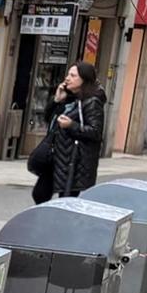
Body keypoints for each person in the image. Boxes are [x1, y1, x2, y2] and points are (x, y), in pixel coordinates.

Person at [47, 62, 104, 198]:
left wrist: (71, 125)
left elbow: (96, 132)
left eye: (73, 76)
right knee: (45, 197)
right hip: (60, 161)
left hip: (75, 164)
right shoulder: (71, 99)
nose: (67, 78)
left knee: (66, 202)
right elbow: (48, 120)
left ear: (84, 80)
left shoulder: (91, 102)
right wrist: (56, 101)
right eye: (68, 74)